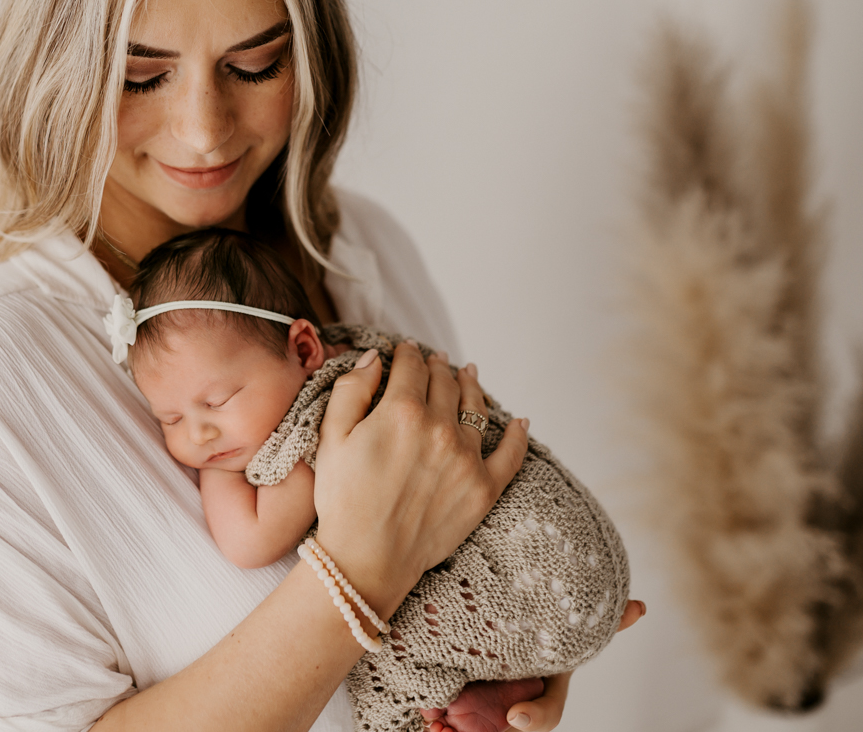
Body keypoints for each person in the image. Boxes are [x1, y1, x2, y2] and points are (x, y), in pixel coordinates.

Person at [0, 0, 643, 732]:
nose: (204, 133)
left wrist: (510, 658)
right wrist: (359, 575)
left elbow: (469, 538)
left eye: (255, 64)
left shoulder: (364, 252)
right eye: (140, 75)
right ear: (54, 68)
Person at [121, 228, 630, 732]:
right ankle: (501, 684)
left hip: (533, 584)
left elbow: (250, 540)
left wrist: (213, 470)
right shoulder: (366, 352)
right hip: (580, 562)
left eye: (217, 402)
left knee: (372, 654)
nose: (200, 433)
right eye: (170, 419)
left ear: (303, 349)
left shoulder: (314, 427)